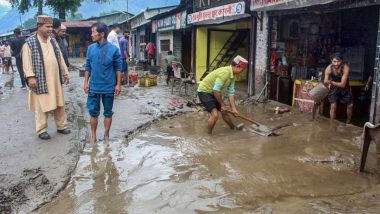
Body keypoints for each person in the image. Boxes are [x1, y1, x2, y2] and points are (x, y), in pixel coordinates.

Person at [22, 15, 71, 140]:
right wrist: (30, 77)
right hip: (41, 80)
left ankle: (61, 126)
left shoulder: (53, 41)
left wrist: (65, 72)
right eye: (47, 27)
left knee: (60, 103)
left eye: (51, 27)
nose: (50, 29)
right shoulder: (30, 42)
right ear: (39, 27)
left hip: (55, 79)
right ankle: (41, 129)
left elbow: (59, 58)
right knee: (41, 105)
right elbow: (26, 62)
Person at [84, 22, 122, 142]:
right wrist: (86, 82)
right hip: (94, 87)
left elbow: (118, 68)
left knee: (108, 113)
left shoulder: (114, 50)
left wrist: (118, 84)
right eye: (91, 32)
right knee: (93, 113)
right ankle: (93, 137)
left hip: (108, 86)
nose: (92, 35)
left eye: (94, 32)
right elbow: (88, 66)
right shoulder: (90, 49)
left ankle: (106, 135)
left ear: (102, 34)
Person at [197, 55, 248, 134]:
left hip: (213, 92)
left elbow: (231, 93)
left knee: (224, 112)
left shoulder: (232, 76)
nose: (243, 71)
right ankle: (209, 135)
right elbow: (216, 90)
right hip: (204, 91)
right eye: (242, 69)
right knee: (215, 115)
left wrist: (234, 109)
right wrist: (222, 105)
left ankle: (233, 128)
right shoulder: (225, 72)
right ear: (237, 66)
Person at [324, 52, 353, 124]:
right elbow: (325, 80)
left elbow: (343, 84)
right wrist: (326, 83)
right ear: (331, 61)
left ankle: (348, 121)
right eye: (334, 61)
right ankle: (332, 123)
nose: (336, 63)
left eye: (338, 61)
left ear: (341, 61)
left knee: (350, 105)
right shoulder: (329, 68)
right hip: (334, 88)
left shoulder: (345, 68)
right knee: (333, 105)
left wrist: (331, 82)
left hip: (344, 88)